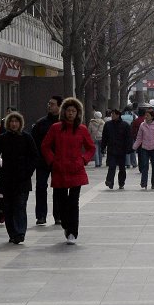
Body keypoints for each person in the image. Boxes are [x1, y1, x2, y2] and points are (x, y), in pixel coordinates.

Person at [41, 97, 95, 245]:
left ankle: (73, 231)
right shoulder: (55, 128)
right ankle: (66, 224)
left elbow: (91, 148)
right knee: (61, 201)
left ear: (78, 113)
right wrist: (52, 161)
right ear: (63, 112)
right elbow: (45, 146)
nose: (70, 114)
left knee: (74, 201)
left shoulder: (82, 129)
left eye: (73, 111)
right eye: (68, 111)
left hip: (76, 169)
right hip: (59, 169)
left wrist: (84, 159)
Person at [0, 111, 39, 244]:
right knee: (8, 207)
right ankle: (12, 233)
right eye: (11, 121)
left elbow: (34, 156)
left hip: (22, 177)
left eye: (16, 121)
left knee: (20, 205)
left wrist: (28, 171)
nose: (14, 124)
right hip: (7, 178)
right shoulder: (2, 138)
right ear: (8, 123)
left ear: (20, 123)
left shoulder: (27, 137)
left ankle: (20, 232)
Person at [31, 95, 62, 225]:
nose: (49, 106)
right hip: (43, 162)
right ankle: (41, 215)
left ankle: (58, 215)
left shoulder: (64, 123)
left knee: (59, 188)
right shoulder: (41, 123)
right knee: (41, 187)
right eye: (49, 103)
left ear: (60, 106)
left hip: (59, 161)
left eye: (53, 104)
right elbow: (33, 143)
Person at [102, 108, 133, 190]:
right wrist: (103, 147)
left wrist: (129, 148)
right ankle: (109, 181)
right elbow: (104, 137)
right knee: (111, 166)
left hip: (121, 150)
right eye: (111, 114)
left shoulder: (125, 125)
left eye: (114, 114)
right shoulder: (108, 124)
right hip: (111, 149)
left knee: (122, 168)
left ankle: (121, 182)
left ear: (118, 115)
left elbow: (129, 138)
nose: (112, 116)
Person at [133, 110, 154, 189]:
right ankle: (144, 182)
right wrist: (134, 147)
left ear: (152, 117)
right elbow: (139, 138)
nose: (145, 117)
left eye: (147, 115)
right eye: (145, 115)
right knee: (145, 165)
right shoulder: (142, 125)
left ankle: (153, 183)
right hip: (145, 148)